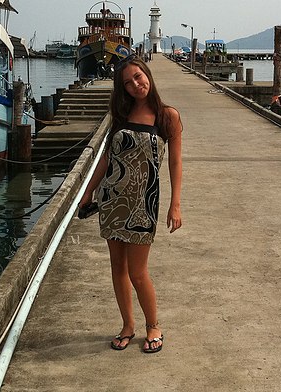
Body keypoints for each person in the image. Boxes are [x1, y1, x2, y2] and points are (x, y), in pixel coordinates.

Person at [79, 56, 182, 353]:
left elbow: (175, 162)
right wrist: (88, 192)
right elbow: (107, 158)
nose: (136, 85)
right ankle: (127, 325)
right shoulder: (121, 114)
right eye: (128, 83)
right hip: (112, 200)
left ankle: (153, 326)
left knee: (138, 272)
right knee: (118, 267)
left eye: (138, 76)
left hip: (144, 203)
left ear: (147, 74)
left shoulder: (168, 116)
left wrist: (175, 204)